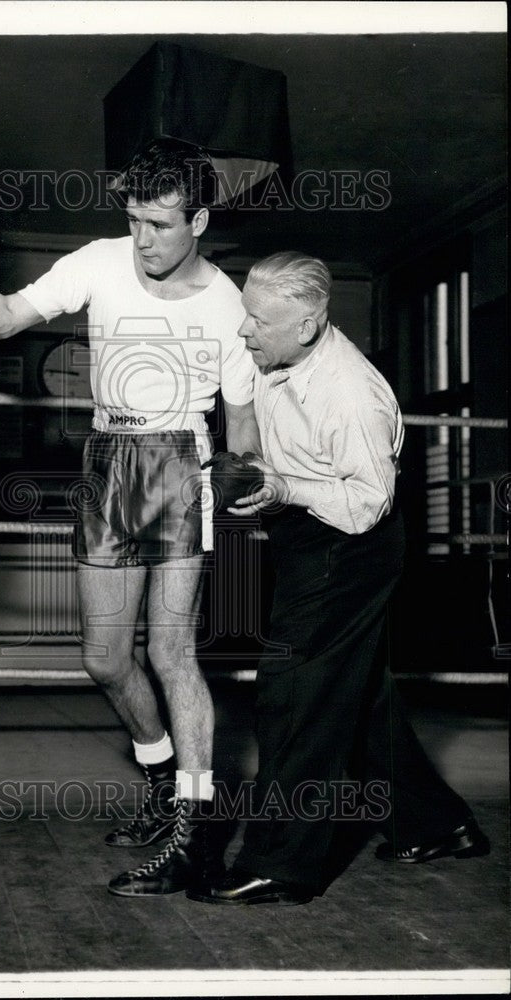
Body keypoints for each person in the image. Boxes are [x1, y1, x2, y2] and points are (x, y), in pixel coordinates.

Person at [0, 139, 261, 897]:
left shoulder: (228, 304)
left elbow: (245, 432)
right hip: (106, 455)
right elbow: (4, 319)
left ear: (199, 221)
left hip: (178, 459)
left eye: (160, 224)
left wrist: (241, 480)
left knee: (172, 652)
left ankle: (196, 834)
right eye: (133, 220)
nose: (142, 239)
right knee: (105, 659)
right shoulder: (98, 261)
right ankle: (161, 780)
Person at [187, 251, 490, 906]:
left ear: (308, 325)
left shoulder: (349, 393)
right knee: (354, 697)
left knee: (293, 693)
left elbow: (368, 503)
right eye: (246, 314)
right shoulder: (276, 353)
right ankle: (436, 824)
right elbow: (266, 436)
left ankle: (281, 863)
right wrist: (254, 475)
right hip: (304, 534)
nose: (244, 330)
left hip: (349, 545)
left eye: (259, 321)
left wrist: (285, 487)